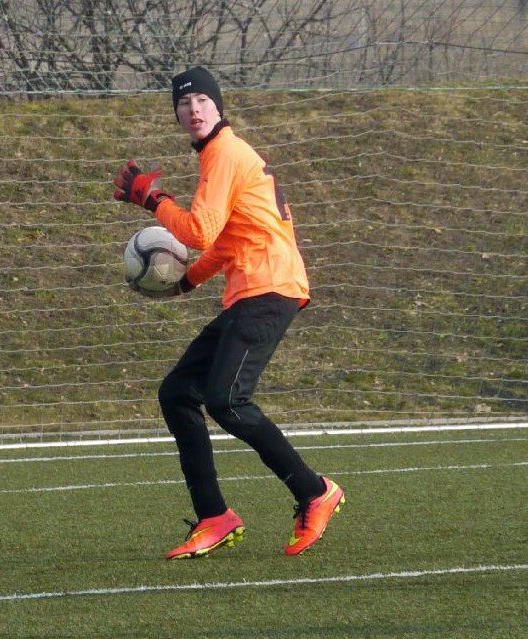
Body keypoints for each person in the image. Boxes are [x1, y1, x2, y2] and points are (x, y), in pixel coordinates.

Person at [113, 66, 344, 560]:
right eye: (183, 103)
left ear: (218, 106)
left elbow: (198, 231)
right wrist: (188, 282)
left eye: (201, 99)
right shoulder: (221, 155)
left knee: (227, 400)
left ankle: (314, 491)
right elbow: (226, 240)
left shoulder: (225, 153)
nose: (193, 109)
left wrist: (155, 200)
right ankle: (214, 516)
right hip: (254, 290)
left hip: (270, 287)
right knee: (177, 393)